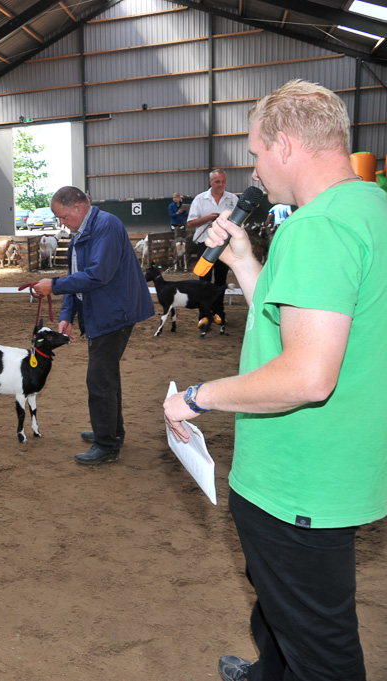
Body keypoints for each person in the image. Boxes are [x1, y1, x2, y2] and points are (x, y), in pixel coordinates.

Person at [163, 80, 387, 681]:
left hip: (298, 480)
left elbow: (307, 374)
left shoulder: (315, 229)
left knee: (321, 646)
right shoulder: (368, 208)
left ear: (285, 145)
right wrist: (242, 261)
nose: (255, 170)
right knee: (283, 607)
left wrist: (196, 399)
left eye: (258, 153)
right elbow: (301, 326)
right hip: (338, 465)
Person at [29, 186, 153, 465]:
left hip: (114, 313)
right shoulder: (82, 232)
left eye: (62, 217)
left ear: (78, 209)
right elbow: (78, 275)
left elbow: (97, 275)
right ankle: (111, 431)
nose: (61, 223)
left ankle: (107, 445)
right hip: (105, 311)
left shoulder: (106, 226)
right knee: (108, 377)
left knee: (99, 379)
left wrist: (55, 286)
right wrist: (66, 315)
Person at [186, 170, 237, 325]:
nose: (220, 184)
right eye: (217, 182)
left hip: (224, 246)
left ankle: (219, 312)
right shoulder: (200, 199)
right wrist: (207, 219)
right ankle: (203, 315)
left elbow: (238, 222)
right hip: (204, 246)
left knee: (221, 281)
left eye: (223, 181)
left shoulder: (233, 199)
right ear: (210, 182)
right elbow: (190, 223)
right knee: (204, 281)